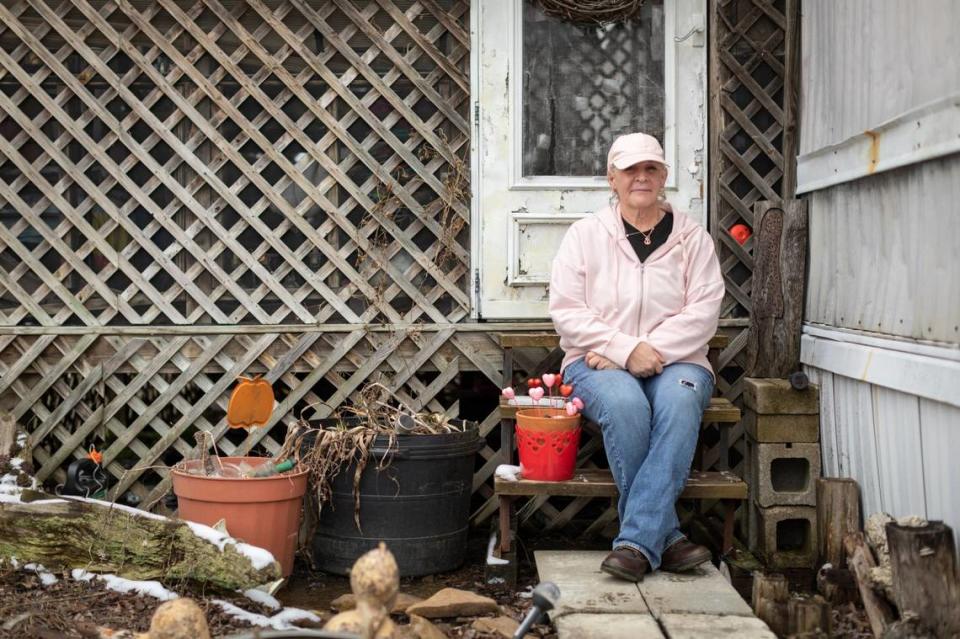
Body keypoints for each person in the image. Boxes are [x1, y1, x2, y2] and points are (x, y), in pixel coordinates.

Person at [548, 132, 725, 582]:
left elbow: (703, 313)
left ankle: (635, 543)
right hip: (593, 362)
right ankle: (665, 536)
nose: (641, 177)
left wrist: (648, 351)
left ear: (664, 177)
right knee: (626, 405)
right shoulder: (585, 236)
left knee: (681, 402)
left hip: (679, 361)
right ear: (612, 179)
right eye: (630, 170)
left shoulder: (692, 238)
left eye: (651, 169)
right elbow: (567, 312)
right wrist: (626, 350)